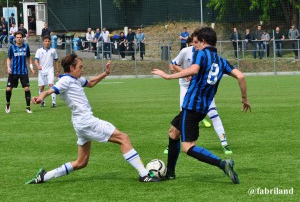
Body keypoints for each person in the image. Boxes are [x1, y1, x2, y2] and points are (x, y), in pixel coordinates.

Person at [26, 53, 161, 184]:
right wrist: (40, 97)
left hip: (80, 123)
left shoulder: (76, 79)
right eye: (80, 67)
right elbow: (49, 90)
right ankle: (144, 175)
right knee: (123, 138)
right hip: (86, 122)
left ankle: (45, 176)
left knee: (81, 162)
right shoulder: (65, 80)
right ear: (71, 68)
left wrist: (105, 73)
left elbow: (90, 83)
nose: (82, 69)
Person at [152, 27, 251, 184]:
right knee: (173, 132)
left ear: (204, 42)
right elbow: (241, 76)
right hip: (202, 108)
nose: (194, 45)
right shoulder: (221, 60)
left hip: (192, 106)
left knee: (188, 147)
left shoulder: (201, 54)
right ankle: (170, 173)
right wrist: (244, 98)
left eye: (197, 42)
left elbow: (195, 69)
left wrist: (168, 76)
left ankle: (223, 164)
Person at [168, 35, 233, 155]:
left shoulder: (205, 54)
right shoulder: (185, 51)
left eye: (198, 42)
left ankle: (224, 143)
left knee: (213, 113)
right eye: (194, 42)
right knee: (183, 114)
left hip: (201, 88)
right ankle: (173, 143)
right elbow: (173, 63)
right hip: (185, 86)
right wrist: (184, 74)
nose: (196, 44)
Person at [5, 31, 35, 114]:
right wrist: (8, 67)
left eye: (20, 37)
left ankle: (28, 107)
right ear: (15, 38)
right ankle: (8, 104)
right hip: (13, 72)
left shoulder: (26, 47)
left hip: (23, 71)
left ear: (22, 38)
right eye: (17, 37)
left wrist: (31, 67)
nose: (19, 39)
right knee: (8, 89)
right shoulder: (12, 48)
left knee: (27, 88)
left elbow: (29, 57)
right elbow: (9, 58)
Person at [34, 35, 59, 107]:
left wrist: (57, 70)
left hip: (50, 70)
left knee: (51, 85)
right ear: (43, 42)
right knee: (41, 87)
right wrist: (38, 66)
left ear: (50, 42)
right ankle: (42, 101)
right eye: (46, 41)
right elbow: (36, 60)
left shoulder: (53, 50)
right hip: (41, 71)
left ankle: (54, 102)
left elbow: (56, 61)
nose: (47, 42)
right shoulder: (39, 51)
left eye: (48, 41)